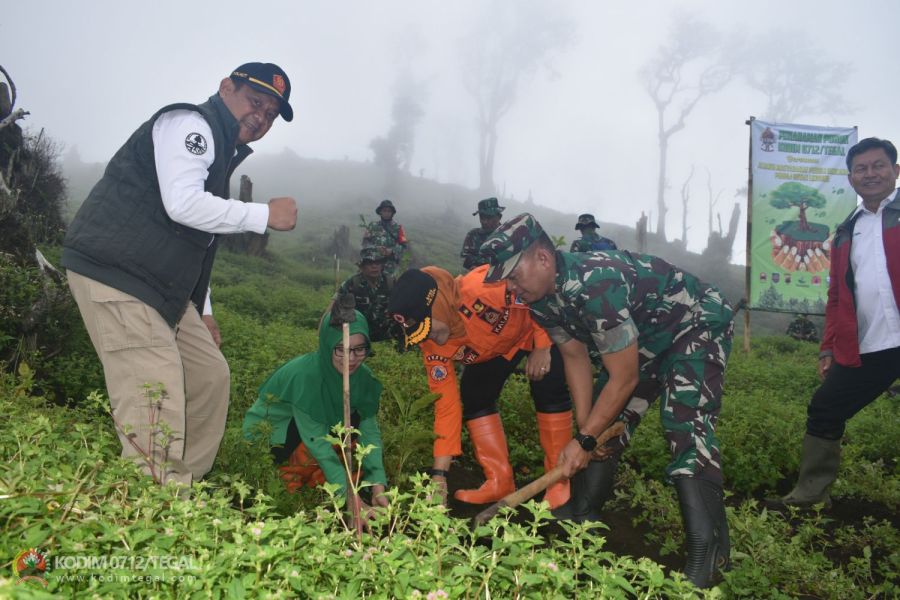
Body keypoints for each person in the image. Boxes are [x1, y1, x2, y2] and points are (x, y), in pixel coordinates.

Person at [62, 62, 299, 487]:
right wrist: (264, 215)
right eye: (255, 102)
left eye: (270, 114)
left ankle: (183, 488)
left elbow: (196, 241)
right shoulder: (192, 124)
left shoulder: (221, 151)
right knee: (154, 391)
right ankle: (154, 496)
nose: (261, 117)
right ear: (226, 88)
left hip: (161, 287)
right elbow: (182, 205)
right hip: (119, 275)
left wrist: (203, 310)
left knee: (209, 376)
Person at [480, 212, 735, 589]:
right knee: (603, 417)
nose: (511, 287)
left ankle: (708, 554)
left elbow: (625, 377)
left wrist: (584, 441)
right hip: (647, 336)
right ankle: (583, 510)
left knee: (684, 422)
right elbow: (575, 356)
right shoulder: (540, 299)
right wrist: (587, 433)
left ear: (544, 259)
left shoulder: (596, 285)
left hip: (695, 321)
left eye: (513, 276)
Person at [770, 137, 900, 509]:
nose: (870, 174)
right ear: (850, 178)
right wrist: (828, 346)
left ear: (895, 170)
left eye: (878, 165)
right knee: (825, 407)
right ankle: (811, 495)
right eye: (861, 168)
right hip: (873, 344)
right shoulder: (846, 230)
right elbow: (837, 295)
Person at [387, 265, 573, 508]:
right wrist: (439, 476)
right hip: (496, 349)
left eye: (428, 328)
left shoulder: (485, 286)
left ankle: (558, 481)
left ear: (439, 304)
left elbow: (536, 294)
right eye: (420, 334)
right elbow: (446, 406)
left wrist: (542, 345)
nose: (428, 338)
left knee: (547, 386)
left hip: (535, 327)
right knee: (475, 394)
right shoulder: (431, 345)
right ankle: (500, 481)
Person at [243, 310, 388, 510]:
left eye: (360, 349)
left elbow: (369, 431)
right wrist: (349, 498)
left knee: (354, 424)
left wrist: (378, 485)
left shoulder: (363, 377)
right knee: (324, 441)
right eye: (341, 349)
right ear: (327, 345)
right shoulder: (306, 376)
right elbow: (316, 440)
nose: (351, 358)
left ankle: (323, 477)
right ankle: (290, 478)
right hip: (275, 436)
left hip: (314, 433)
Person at [336, 247, 395, 342]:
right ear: (362, 266)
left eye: (377, 263)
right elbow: (338, 310)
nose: (374, 266)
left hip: (387, 338)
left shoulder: (390, 282)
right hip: (359, 335)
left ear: (382, 265)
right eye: (370, 263)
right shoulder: (353, 283)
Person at [362, 199, 408, 275]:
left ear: (392, 213)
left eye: (389, 211)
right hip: (373, 265)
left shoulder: (398, 228)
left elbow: (404, 246)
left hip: (390, 267)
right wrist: (376, 249)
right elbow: (365, 244)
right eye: (384, 210)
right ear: (380, 212)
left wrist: (392, 251)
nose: (386, 213)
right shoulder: (372, 226)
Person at [461, 197, 505, 271]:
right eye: (482, 217)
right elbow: (466, 259)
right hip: (478, 276)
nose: (485, 221)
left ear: (499, 217)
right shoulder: (473, 235)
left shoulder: (508, 235)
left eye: (489, 217)